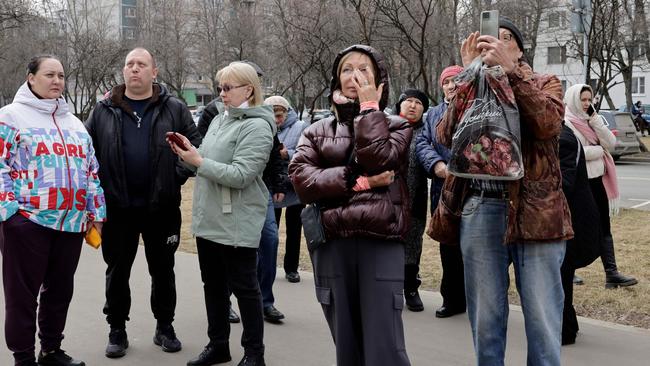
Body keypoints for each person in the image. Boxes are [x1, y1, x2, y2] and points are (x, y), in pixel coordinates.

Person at [434, 18, 573, 365]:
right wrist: (468, 75)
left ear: (521, 50)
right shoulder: (472, 85)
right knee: (486, 317)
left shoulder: (545, 82)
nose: (494, 45)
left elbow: (547, 125)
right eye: (487, 40)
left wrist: (511, 73)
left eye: (505, 39)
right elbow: (445, 135)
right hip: (480, 207)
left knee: (542, 318)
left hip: (536, 212)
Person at [290, 44, 412, 366]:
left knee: (384, 344)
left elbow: (380, 160)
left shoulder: (398, 126)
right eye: (346, 69)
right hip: (331, 242)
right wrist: (365, 184)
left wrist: (370, 109)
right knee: (346, 343)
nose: (353, 76)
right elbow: (303, 182)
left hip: (380, 241)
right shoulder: (316, 131)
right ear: (335, 80)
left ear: (379, 81)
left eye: (363, 70)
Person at [85, 47, 201, 358]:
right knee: (117, 270)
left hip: (161, 209)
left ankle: (165, 326)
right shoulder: (103, 109)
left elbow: (195, 146)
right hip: (117, 208)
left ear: (154, 72)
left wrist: (174, 177)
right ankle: (117, 329)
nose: (134, 69)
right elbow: (86, 155)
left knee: (163, 269)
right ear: (123, 71)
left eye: (141, 64)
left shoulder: (174, 108)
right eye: (129, 64)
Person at [0, 55, 106, 366]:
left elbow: (91, 171)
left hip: (71, 224)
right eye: (49, 74)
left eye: (61, 75)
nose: (57, 81)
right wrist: (10, 213)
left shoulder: (75, 124)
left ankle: (51, 350)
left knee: (59, 293)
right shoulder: (9, 117)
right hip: (27, 222)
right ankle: (23, 357)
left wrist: (95, 212)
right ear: (31, 77)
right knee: (22, 297)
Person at [170, 61, 274, 366]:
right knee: (213, 286)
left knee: (245, 288)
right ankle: (218, 345)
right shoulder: (218, 120)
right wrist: (189, 153)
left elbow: (242, 174)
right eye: (219, 88)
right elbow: (206, 160)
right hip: (210, 218)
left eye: (227, 88)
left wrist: (199, 161)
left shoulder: (258, 125)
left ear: (249, 89)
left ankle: (255, 353)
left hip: (237, 220)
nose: (221, 94)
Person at [563, 84, 638, 289]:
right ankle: (569, 271)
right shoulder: (566, 122)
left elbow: (611, 143)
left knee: (604, 225)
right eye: (583, 100)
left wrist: (595, 120)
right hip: (579, 183)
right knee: (576, 227)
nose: (587, 104)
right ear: (573, 100)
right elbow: (574, 152)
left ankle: (611, 274)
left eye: (590, 99)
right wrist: (598, 150)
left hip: (598, 180)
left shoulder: (591, 120)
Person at [415, 65, 467, 318]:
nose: (451, 85)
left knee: (473, 246)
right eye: (447, 81)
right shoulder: (433, 114)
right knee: (448, 246)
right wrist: (436, 164)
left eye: (456, 80)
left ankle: (476, 299)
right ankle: (452, 299)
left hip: (471, 187)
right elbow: (423, 142)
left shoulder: (474, 108)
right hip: (443, 189)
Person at [558, 122, 602, 345]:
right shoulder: (561, 135)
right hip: (570, 220)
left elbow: (563, 183)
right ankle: (569, 325)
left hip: (574, 222)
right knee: (561, 275)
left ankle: (565, 331)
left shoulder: (563, 139)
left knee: (562, 275)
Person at [266, 95, 308, 284]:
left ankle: (291, 268)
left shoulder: (300, 127)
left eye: (280, 116)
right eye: (274, 116)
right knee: (270, 230)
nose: (278, 120)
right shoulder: (264, 126)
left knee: (294, 229)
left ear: (287, 112)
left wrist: (287, 153)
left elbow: (306, 152)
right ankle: (269, 266)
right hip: (274, 184)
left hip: (294, 185)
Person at [394, 89, 429, 312]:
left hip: (415, 199)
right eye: (408, 101)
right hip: (388, 198)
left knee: (412, 245)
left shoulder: (427, 132)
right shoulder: (388, 127)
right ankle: (390, 289)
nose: (413, 106)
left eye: (418, 103)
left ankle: (411, 288)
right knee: (388, 244)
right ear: (400, 105)